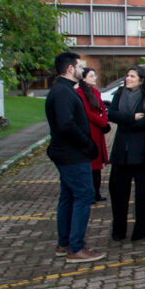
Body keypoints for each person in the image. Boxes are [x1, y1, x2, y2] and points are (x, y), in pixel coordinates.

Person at [46, 52, 106, 263]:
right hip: (72, 154)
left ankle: (65, 244)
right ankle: (76, 248)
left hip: (69, 153)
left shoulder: (64, 90)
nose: (82, 69)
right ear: (70, 69)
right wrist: (87, 144)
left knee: (69, 196)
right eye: (79, 66)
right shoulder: (62, 92)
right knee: (83, 195)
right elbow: (66, 125)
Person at [107, 65, 145, 241]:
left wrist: (126, 123)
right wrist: (130, 118)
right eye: (127, 75)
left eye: (132, 76)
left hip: (142, 152)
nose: (128, 78)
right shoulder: (120, 94)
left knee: (143, 194)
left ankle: (140, 230)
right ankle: (118, 230)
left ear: (141, 80)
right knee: (118, 192)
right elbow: (111, 115)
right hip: (121, 151)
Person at [76, 67, 110, 203]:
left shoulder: (95, 92)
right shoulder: (79, 93)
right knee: (91, 163)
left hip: (98, 130)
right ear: (83, 78)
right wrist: (103, 123)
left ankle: (96, 192)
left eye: (94, 76)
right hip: (90, 130)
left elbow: (102, 108)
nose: (94, 78)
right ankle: (89, 193)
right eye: (91, 76)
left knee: (97, 164)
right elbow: (87, 113)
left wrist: (104, 122)